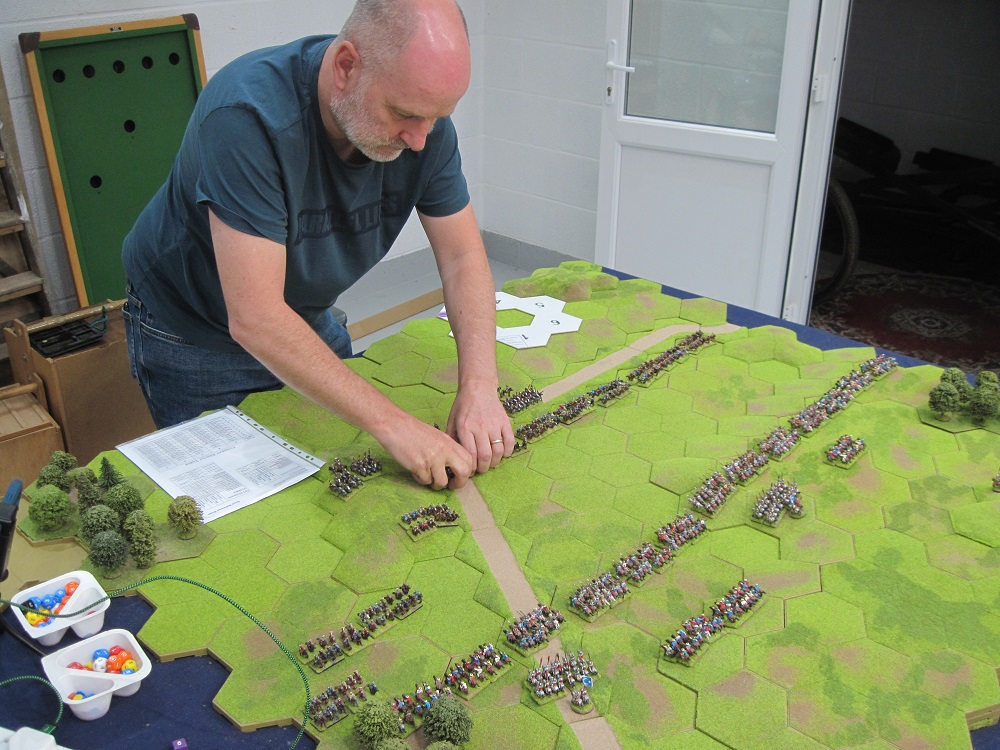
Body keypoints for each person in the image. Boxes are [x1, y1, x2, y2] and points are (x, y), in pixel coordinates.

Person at [121, 0, 512, 489]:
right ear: (346, 66)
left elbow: (462, 257)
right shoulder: (246, 116)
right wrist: (397, 425)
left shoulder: (423, 125)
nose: (419, 140)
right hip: (196, 330)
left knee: (337, 472)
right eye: (404, 114)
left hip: (302, 314)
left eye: (436, 118)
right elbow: (256, 317)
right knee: (240, 501)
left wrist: (480, 386)